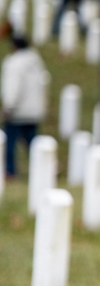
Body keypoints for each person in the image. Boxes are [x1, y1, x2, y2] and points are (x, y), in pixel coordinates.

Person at [2, 34, 48, 179]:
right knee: (33, 144)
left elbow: (12, 87)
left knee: (9, 144)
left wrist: (8, 107)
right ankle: (42, 171)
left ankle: (10, 172)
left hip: (18, 112)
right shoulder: (36, 61)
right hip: (33, 111)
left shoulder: (14, 63)